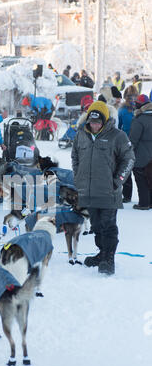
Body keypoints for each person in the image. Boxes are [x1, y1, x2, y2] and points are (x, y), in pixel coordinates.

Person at [71, 101, 135, 275]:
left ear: (105, 121)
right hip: (89, 191)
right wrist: (78, 177)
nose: (94, 125)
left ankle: (109, 258)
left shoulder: (118, 136)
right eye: (92, 122)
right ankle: (102, 253)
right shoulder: (81, 135)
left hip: (108, 191)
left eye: (98, 122)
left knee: (108, 225)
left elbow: (129, 159)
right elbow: (75, 155)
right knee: (96, 225)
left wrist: (118, 180)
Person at [129, 94, 152, 210]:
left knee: (141, 180)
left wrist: (127, 153)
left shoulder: (139, 120)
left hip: (141, 157)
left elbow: (133, 140)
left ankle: (144, 203)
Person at [118, 85, 138, 202]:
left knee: (130, 170)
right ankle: (130, 196)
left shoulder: (123, 110)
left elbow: (119, 127)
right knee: (133, 170)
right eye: (132, 96)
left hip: (130, 143)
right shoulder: (138, 109)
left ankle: (128, 196)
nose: (132, 99)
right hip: (132, 143)